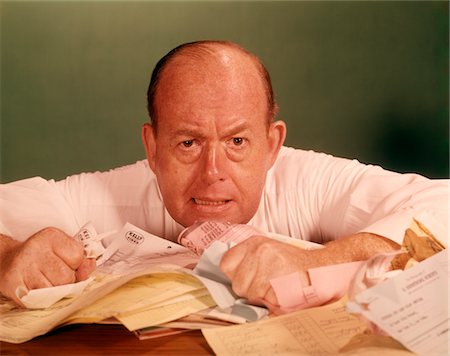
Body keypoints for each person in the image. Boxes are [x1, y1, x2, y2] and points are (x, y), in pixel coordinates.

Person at [0, 40, 447, 311]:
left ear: (272, 145)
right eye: (188, 143)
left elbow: (442, 205)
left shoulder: (308, 180)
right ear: (152, 148)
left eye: (237, 142)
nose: (213, 173)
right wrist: (8, 257)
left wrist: (315, 262)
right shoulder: (108, 193)